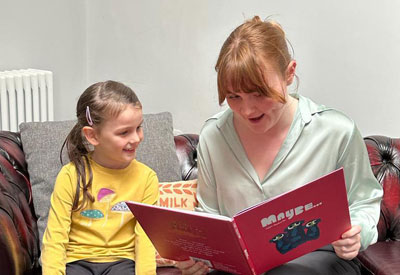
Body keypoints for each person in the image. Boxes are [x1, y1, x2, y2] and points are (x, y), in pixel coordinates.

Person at [176, 16, 383, 275]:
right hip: (242, 266)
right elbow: (209, 212)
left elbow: (364, 202)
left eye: (259, 93)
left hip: (319, 258)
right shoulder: (213, 135)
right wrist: (199, 257)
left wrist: (356, 233)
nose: (246, 109)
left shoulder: (336, 131)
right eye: (233, 96)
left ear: (289, 73)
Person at [41, 81, 159, 275]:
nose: (136, 138)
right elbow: (55, 238)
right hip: (77, 261)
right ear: (93, 136)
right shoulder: (70, 176)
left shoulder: (147, 178)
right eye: (124, 132)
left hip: (122, 262)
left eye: (138, 128)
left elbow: (145, 239)